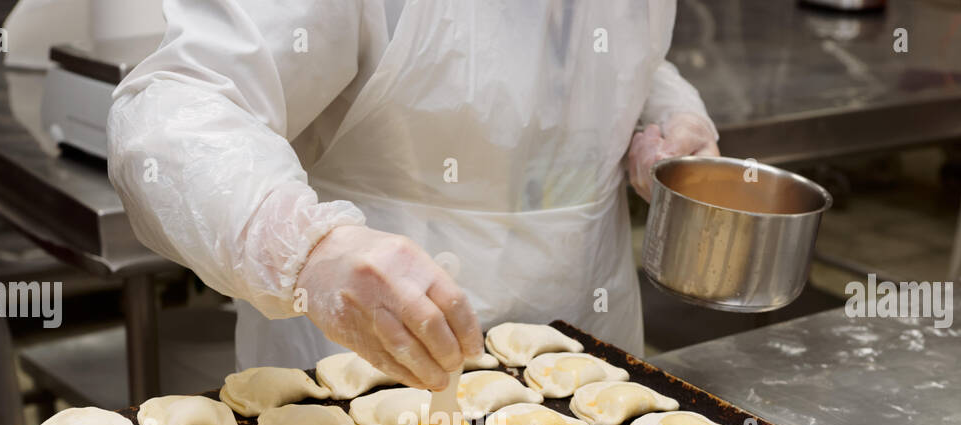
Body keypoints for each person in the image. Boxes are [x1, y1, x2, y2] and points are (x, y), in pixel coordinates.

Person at [108, 0, 717, 391]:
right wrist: (308, 248)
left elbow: (603, 46)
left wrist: (666, 114)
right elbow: (173, 110)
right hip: (364, 370)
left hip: (589, 352)